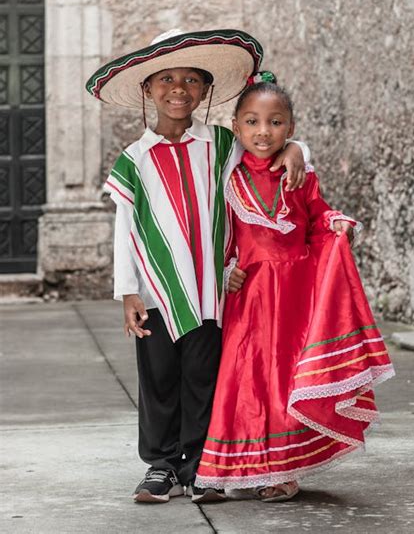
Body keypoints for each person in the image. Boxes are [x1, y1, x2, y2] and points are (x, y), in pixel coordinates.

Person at [85, 30, 309, 504]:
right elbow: (126, 227)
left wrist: (297, 151)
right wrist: (127, 291)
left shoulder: (222, 144)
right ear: (148, 89)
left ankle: (200, 466)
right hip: (156, 292)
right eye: (166, 78)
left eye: (190, 79)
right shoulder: (135, 159)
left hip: (211, 290)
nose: (178, 88)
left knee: (204, 379)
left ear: (205, 90)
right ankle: (161, 466)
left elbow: (267, 145)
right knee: (159, 378)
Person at [195, 73, 395, 502]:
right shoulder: (226, 179)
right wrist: (227, 267)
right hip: (249, 297)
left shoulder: (301, 175)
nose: (263, 132)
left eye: (275, 122)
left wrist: (336, 224)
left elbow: (319, 218)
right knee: (244, 381)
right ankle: (234, 468)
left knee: (286, 380)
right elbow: (221, 239)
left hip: (296, 297)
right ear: (236, 127)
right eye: (251, 122)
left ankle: (283, 471)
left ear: (291, 127)